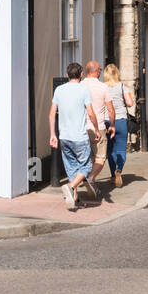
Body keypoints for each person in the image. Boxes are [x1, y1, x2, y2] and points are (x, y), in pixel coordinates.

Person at [49, 62, 99, 210]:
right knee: (86, 166)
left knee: (72, 169)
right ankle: (70, 187)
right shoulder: (83, 90)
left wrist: (53, 134)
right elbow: (90, 112)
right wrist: (96, 129)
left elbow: (51, 114)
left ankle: (74, 200)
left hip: (64, 137)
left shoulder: (59, 90)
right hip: (80, 137)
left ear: (66, 75)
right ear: (81, 74)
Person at [83, 60, 115, 190]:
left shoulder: (80, 85)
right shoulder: (103, 87)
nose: (101, 72)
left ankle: (92, 183)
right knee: (100, 158)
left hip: (82, 128)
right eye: (100, 70)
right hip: (99, 128)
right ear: (96, 71)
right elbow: (111, 110)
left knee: (89, 158)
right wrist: (112, 125)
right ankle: (90, 179)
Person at [103, 63, 134, 187]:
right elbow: (130, 103)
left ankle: (112, 175)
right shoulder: (122, 86)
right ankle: (119, 170)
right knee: (121, 148)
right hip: (121, 120)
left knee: (111, 149)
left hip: (107, 121)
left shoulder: (102, 87)